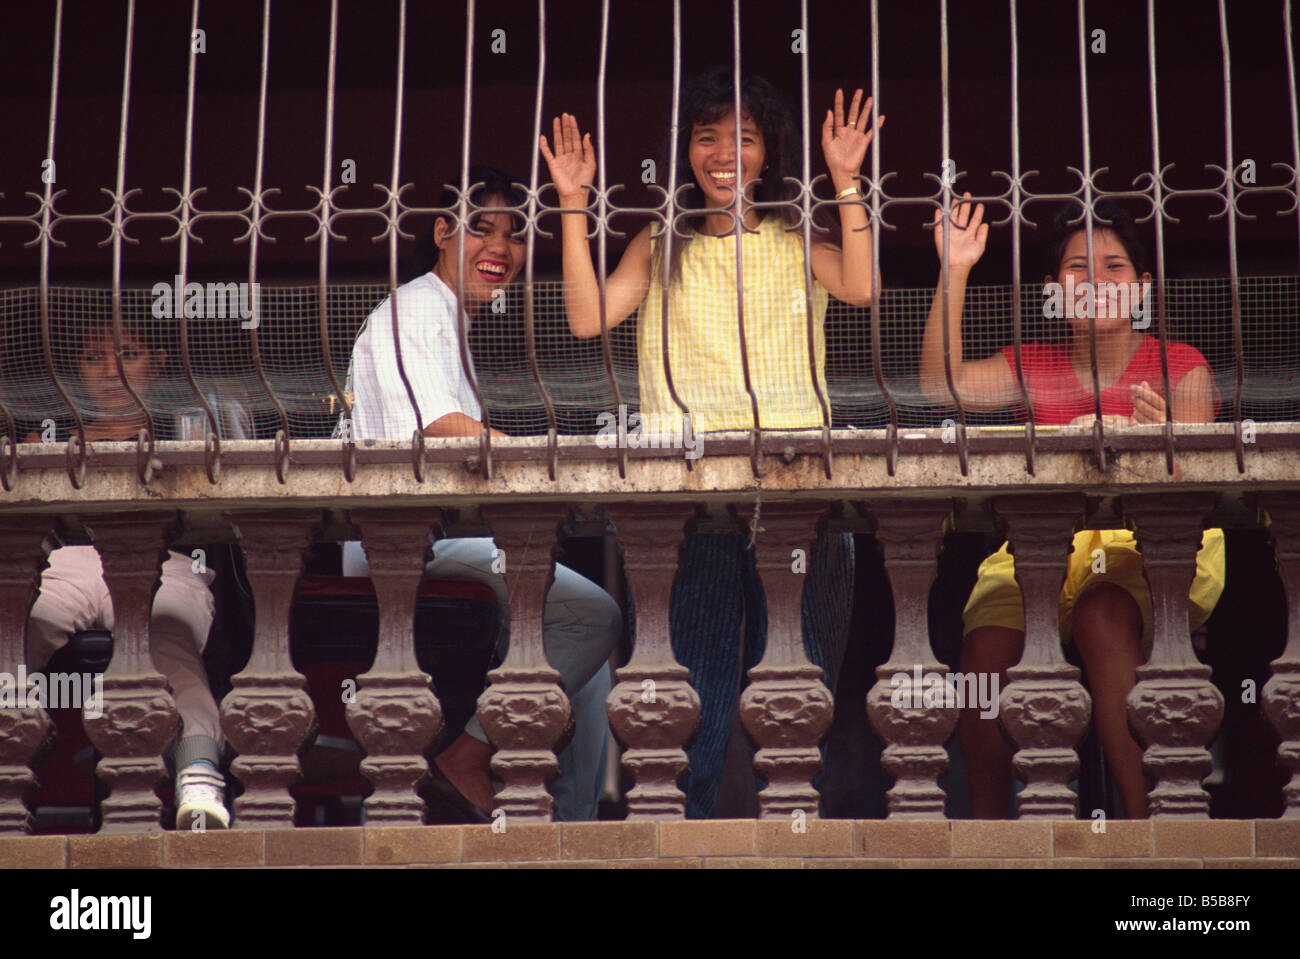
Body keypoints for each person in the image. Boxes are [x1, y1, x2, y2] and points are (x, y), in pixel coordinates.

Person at [541, 69, 881, 816]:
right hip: (688, 493)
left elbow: (862, 286)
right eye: (708, 138)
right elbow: (586, 317)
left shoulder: (798, 238)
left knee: (801, 681)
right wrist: (572, 204)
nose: (726, 153)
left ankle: (795, 829)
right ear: (686, 152)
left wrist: (847, 180)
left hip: (798, 489)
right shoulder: (660, 243)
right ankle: (681, 832)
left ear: (769, 152)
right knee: (692, 688)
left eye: (745, 138)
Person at [920, 195, 1225, 818]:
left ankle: (1149, 829)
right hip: (1038, 548)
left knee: (1103, 613)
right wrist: (953, 270)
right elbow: (938, 384)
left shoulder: (1182, 366)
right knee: (982, 663)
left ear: (1142, 286)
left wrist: (1170, 440)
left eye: (1114, 267)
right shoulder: (1030, 365)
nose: (1094, 282)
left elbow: (1197, 475)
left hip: (1146, 548)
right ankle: (991, 840)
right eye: (1077, 268)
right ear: (1054, 289)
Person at [337, 165, 621, 821]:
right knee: (595, 616)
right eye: (482, 229)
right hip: (405, 550)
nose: (502, 250)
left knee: (590, 669)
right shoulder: (416, 308)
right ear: (442, 233)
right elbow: (442, 428)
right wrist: (545, 460)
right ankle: (466, 755)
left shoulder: (447, 319)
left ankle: (568, 835)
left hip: (441, 544)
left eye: (516, 235)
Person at [24, 319, 229, 829]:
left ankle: (198, 774)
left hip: (168, 564)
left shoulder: (191, 427)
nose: (111, 371)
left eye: (129, 354)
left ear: (157, 362)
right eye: (94, 358)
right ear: (75, 370)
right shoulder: (43, 435)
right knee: (23, 629)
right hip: (66, 561)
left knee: (170, 642)